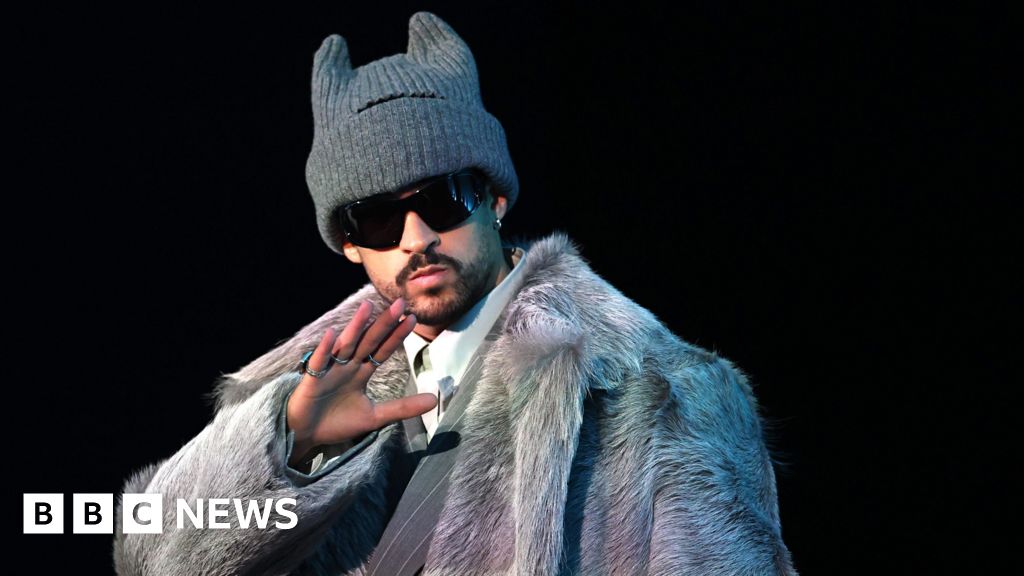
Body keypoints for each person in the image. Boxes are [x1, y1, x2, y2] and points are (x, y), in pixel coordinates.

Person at [113, 11, 797, 576]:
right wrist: (289, 449)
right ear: (347, 243)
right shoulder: (294, 393)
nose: (416, 238)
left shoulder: (659, 390)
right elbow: (148, 561)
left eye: (443, 199)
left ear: (494, 199)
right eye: (378, 219)